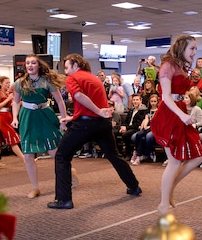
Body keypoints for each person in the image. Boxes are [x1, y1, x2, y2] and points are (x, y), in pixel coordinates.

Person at [48, 54, 142, 209]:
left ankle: (64, 200)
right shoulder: (94, 78)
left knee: (62, 156)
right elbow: (88, 103)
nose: (65, 71)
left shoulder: (73, 78)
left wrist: (96, 111)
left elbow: (78, 96)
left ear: (76, 65)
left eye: (67, 67)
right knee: (114, 155)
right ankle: (134, 186)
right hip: (101, 123)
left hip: (87, 124)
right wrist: (74, 117)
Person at [150, 34, 202, 215]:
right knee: (174, 161)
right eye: (192, 49)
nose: (195, 52)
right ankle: (164, 204)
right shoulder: (168, 66)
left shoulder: (181, 67)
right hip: (169, 114)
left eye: (195, 49)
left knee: (197, 156)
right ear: (182, 49)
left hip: (180, 110)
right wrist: (181, 115)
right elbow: (166, 96)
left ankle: (170, 189)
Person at [11, 54, 70, 199]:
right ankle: (35, 187)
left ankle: (69, 173)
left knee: (54, 153)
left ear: (38, 65)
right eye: (28, 63)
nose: (30, 65)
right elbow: (15, 101)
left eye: (33, 63)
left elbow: (60, 101)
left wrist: (63, 119)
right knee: (28, 155)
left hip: (44, 116)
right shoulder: (19, 83)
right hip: (27, 117)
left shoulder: (46, 81)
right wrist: (14, 117)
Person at [0, 76, 26, 170]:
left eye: (9, 82)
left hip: (6, 117)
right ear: (1, 83)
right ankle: (25, 159)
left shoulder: (7, 93)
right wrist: (8, 99)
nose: (9, 84)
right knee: (12, 140)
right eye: (6, 83)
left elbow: (14, 103)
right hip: (1, 118)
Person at [131, 93, 159, 165]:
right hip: (148, 127)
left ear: (157, 102)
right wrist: (145, 124)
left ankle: (139, 155)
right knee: (139, 135)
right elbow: (146, 119)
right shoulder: (148, 110)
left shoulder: (159, 110)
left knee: (148, 136)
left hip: (155, 128)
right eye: (151, 101)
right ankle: (138, 153)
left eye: (154, 101)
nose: (153, 103)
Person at [119, 93, 147, 160]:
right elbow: (126, 121)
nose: (135, 101)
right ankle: (119, 153)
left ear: (141, 101)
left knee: (126, 135)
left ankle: (128, 154)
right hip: (128, 127)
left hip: (136, 128)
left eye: (137, 100)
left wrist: (126, 128)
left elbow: (138, 124)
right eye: (134, 100)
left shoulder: (143, 111)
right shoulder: (131, 110)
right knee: (114, 132)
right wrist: (123, 126)